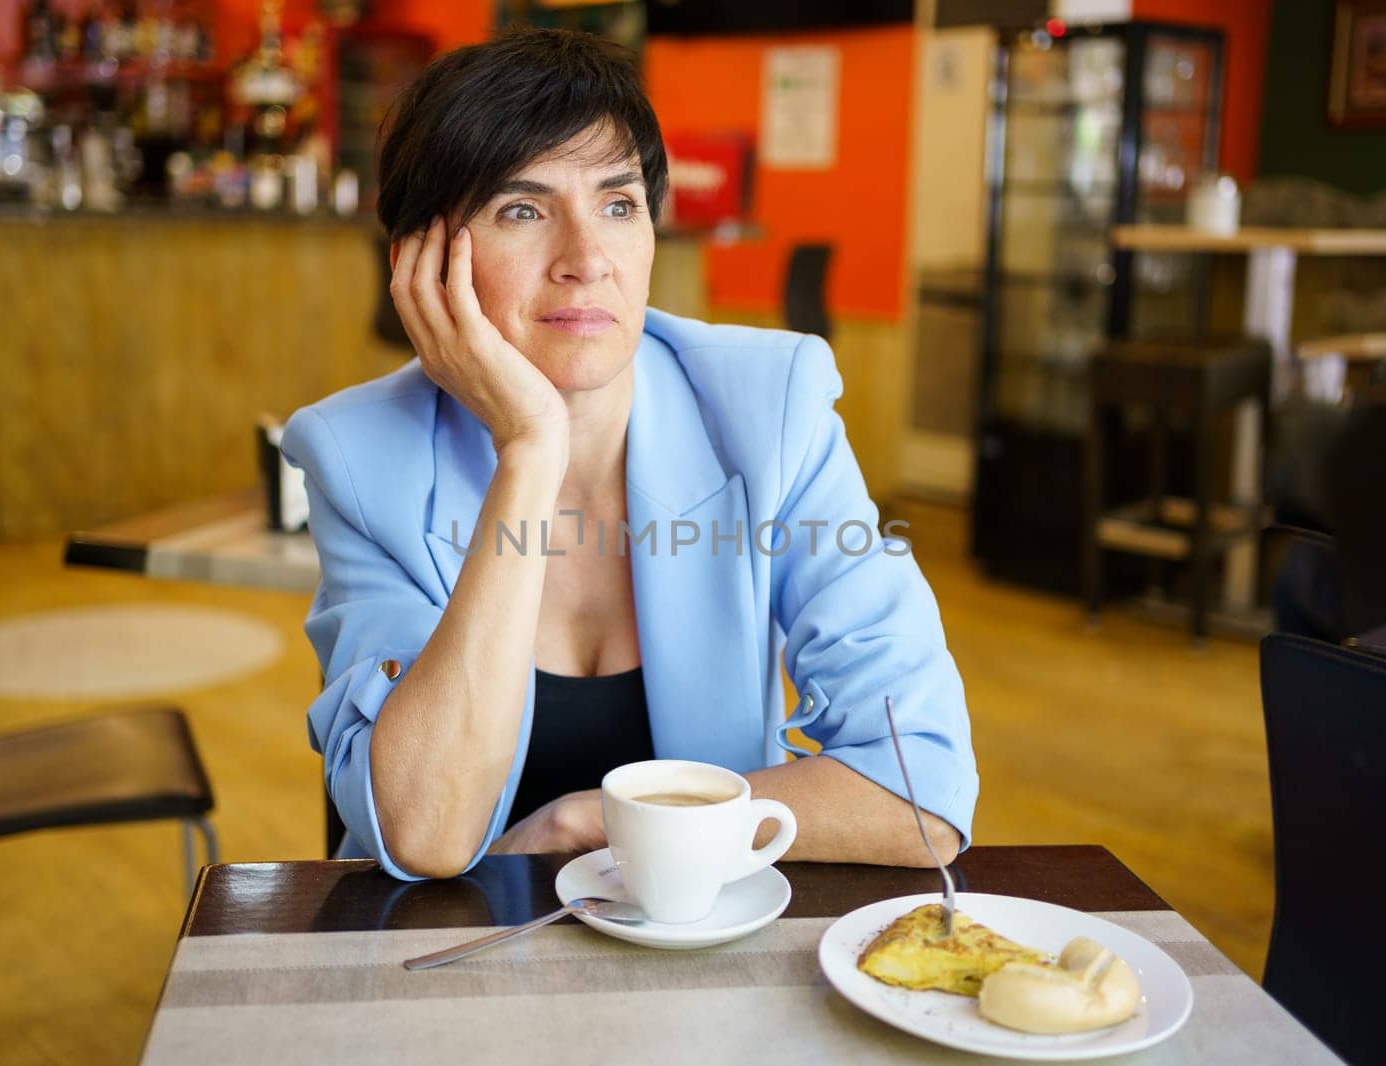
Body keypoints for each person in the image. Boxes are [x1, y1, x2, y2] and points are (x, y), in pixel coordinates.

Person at [282, 28, 978, 881]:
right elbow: (426, 832)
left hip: (702, 937)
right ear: (423, 268)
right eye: (522, 210)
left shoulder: (771, 410)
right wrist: (530, 450)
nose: (586, 261)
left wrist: (599, 823)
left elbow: (922, 795)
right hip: (447, 961)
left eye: (618, 205)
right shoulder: (358, 455)